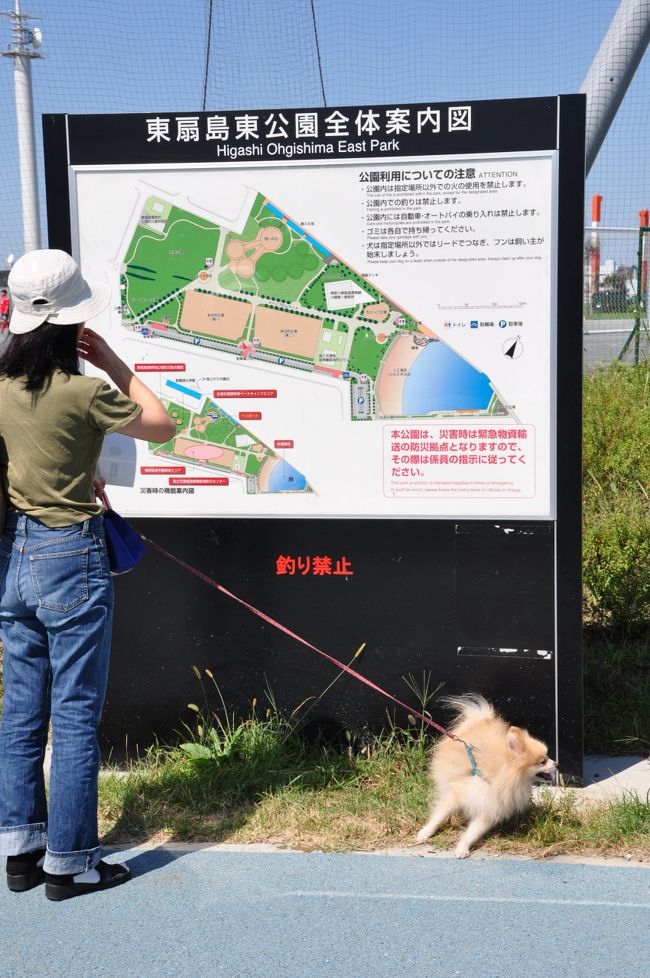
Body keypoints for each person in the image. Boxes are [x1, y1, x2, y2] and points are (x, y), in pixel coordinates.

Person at [0, 250, 175, 901]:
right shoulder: (84, 391)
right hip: (70, 559)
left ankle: (21, 850)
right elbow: (163, 426)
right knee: (74, 715)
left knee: (21, 710)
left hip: (11, 559)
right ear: (72, 325)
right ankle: (70, 864)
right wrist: (114, 364)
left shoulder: (0, 388)